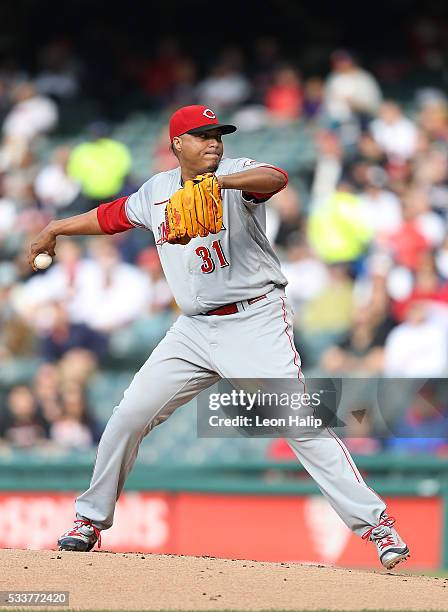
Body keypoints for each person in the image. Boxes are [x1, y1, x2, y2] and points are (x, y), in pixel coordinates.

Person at [28, 104, 409, 569]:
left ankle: (377, 526)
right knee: (128, 415)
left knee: (299, 423)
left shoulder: (235, 172)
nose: (213, 142)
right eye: (202, 135)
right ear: (176, 145)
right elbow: (110, 217)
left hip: (254, 319)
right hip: (191, 330)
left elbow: (275, 177)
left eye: (218, 134)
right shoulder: (157, 191)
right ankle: (89, 521)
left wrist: (222, 183)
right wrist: (55, 227)